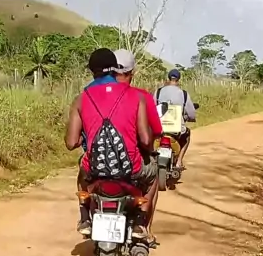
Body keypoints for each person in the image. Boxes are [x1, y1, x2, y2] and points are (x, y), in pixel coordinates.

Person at [65, 48, 158, 241]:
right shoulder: (137, 96)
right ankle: (140, 223)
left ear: (91, 70)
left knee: (82, 171)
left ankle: (85, 218)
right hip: (130, 169)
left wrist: (85, 138)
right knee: (153, 176)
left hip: (95, 169)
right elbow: (146, 140)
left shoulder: (81, 98)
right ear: (115, 69)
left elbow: (71, 142)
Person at [113, 48, 162, 235]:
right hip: (132, 164)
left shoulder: (94, 93)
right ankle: (142, 225)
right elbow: (155, 132)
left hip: (99, 162)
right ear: (131, 72)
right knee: (153, 175)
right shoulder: (142, 96)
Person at [154, 69, 196, 170]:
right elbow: (191, 114)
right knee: (187, 136)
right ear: (178, 79)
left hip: (159, 128)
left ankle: (152, 160)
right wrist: (189, 118)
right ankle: (179, 161)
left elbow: (151, 108)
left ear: (168, 78)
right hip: (176, 129)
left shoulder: (158, 92)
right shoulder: (184, 94)